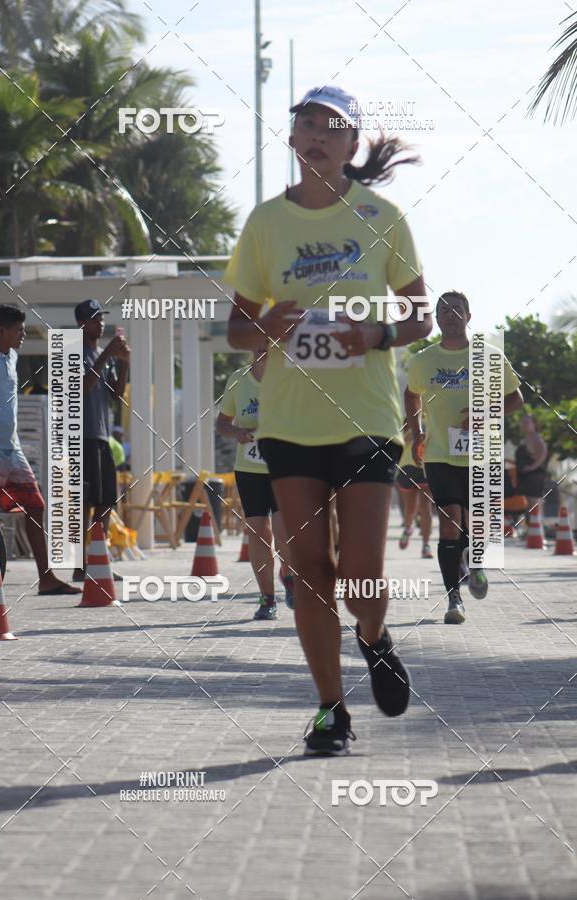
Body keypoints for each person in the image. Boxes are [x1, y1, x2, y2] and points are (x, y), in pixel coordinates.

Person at [225, 84, 432, 755]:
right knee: (310, 570)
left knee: (361, 573)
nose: (316, 135)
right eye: (306, 124)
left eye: (331, 127)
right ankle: (329, 711)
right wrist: (267, 324)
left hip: (367, 417)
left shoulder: (382, 216)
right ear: (292, 139)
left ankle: (373, 636)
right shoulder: (265, 222)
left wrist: (374, 335)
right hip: (289, 421)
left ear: (351, 143)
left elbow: (420, 316)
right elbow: (236, 329)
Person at [405, 291, 524, 624]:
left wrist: (483, 412)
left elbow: (515, 398)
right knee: (449, 521)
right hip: (440, 454)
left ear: (468, 316)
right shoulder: (423, 360)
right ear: (436, 319)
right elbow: (411, 395)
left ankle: (476, 562)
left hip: (480, 454)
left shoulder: (489, 356)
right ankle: (453, 599)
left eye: (457, 309)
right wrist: (416, 434)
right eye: (443, 310)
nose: (450, 315)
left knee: (475, 523)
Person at [0, 304, 79, 595]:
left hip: (12, 449)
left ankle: (46, 579)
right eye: (19, 330)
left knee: (35, 506)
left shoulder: (12, 356)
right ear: (1, 331)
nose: (23, 334)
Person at [217, 346, 294, 619]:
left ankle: (289, 574)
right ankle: (267, 598)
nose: (263, 347)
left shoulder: (290, 377)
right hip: (249, 469)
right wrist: (237, 432)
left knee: (284, 531)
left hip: (283, 466)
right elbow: (222, 423)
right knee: (258, 532)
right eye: (257, 342)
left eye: (269, 341)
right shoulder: (238, 379)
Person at [72, 300, 130, 582]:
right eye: (95, 319)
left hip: (103, 436)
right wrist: (108, 353)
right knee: (85, 501)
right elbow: (83, 386)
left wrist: (124, 362)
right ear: (81, 323)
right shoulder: (73, 351)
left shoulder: (101, 354)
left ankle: (99, 559)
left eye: (102, 318)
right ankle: (80, 564)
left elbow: (116, 395)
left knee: (107, 500)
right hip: (82, 436)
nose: (101, 323)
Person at [396, 427, 433, 558]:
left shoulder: (431, 419)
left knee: (425, 507)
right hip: (407, 467)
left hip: (426, 466)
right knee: (410, 509)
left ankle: (426, 545)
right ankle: (408, 529)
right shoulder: (405, 422)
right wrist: (404, 438)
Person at [515, 414, 547, 524]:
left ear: (534, 424)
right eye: (522, 422)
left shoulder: (536, 438)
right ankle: (530, 529)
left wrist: (532, 467)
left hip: (534, 476)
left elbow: (542, 453)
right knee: (527, 505)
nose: (524, 425)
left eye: (527, 422)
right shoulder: (525, 439)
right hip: (524, 476)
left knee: (534, 504)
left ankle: (536, 528)